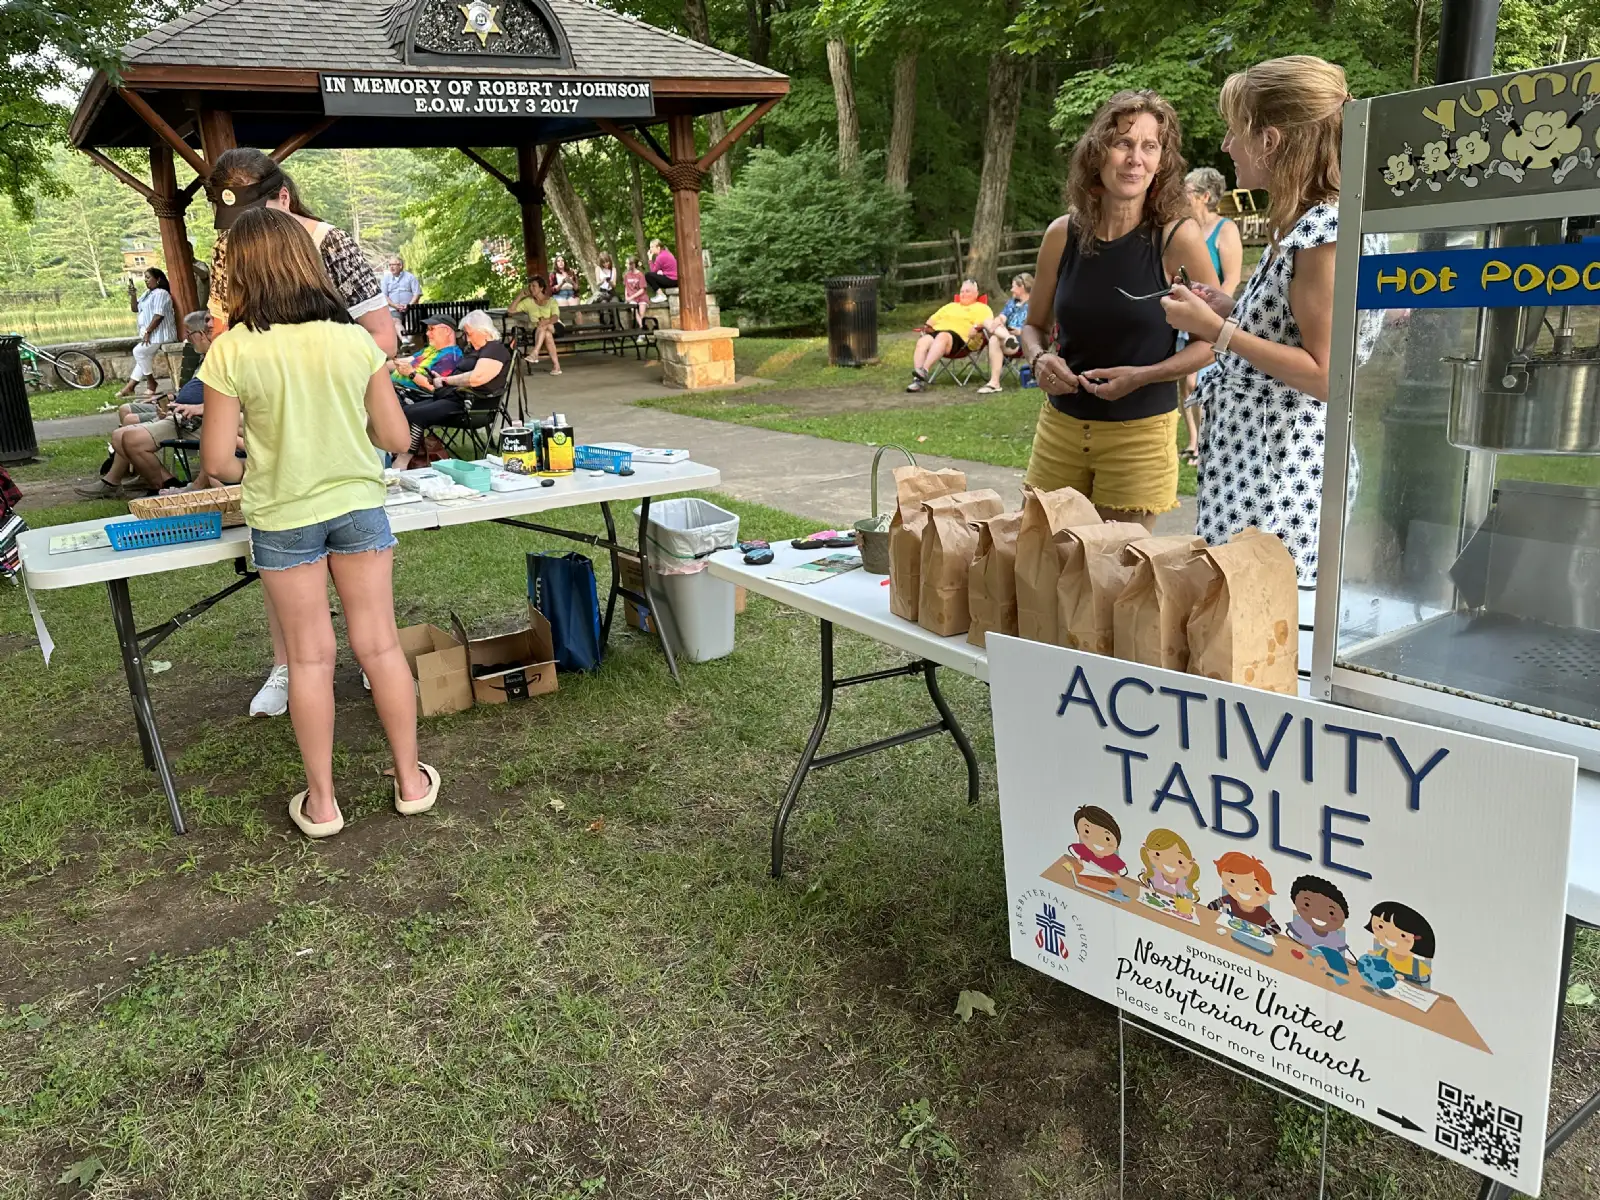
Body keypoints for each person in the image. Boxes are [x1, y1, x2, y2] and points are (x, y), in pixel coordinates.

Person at [197, 207, 437, 839]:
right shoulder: (353, 340)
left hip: (281, 516)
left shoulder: (231, 350)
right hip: (358, 505)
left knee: (307, 659)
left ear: (240, 274)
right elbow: (394, 434)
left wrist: (268, 452)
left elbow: (218, 462)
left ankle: (324, 803)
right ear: (306, 266)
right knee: (380, 645)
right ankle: (410, 782)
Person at [205, 147, 397, 719]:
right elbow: (224, 334)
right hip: (274, 437)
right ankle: (289, 666)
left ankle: (368, 663)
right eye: (231, 227)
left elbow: (381, 339)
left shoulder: (334, 244)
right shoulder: (227, 251)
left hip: (340, 431)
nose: (239, 238)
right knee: (295, 591)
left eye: (251, 222)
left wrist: (324, 370)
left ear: (283, 199)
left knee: (369, 619)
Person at [1161, 55, 1364, 584]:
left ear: (1269, 141)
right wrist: (1232, 309)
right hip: (1254, 464)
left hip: (1282, 477)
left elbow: (1326, 375)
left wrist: (1217, 331)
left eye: (1234, 132)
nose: (1227, 146)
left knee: (1261, 637)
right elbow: (1289, 326)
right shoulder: (1302, 223)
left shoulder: (1324, 235)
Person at [1018, 90, 1221, 529]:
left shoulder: (1177, 239)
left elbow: (1216, 341)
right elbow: (1033, 326)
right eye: (1123, 143)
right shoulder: (1062, 235)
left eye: (1150, 147)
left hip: (1139, 437)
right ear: (1098, 153)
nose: (1135, 159)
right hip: (1060, 430)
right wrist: (1039, 358)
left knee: (1116, 579)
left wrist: (1144, 375)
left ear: (1162, 161)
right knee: (1038, 564)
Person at [80, 311, 216, 498]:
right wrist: (171, 399)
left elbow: (222, 401)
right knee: (123, 429)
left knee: (128, 432)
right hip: (181, 413)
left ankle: (162, 486)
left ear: (203, 333)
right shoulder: (207, 357)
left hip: (194, 420)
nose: (187, 338)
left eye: (189, 333)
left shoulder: (220, 358)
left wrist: (185, 406)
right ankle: (156, 482)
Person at [1179, 167, 1245, 465]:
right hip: (1185, 313)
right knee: (1185, 379)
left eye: (1188, 192)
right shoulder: (1185, 228)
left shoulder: (1226, 229)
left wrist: (1212, 316)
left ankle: (1207, 441)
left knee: (1200, 382)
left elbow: (1230, 280)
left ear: (1205, 196)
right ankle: (1193, 441)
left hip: (1211, 318)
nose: (1182, 197)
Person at [391, 310, 510, 470]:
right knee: (405, 410)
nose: (467, 338)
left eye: (469, 333)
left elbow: (477, 378)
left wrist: (445, 380)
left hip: (470, 407)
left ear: (483, 330)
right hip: (451, 398)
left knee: (415, 414)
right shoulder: (476, 350)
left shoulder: (494, 349)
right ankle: (402, 456)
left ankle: (402, 462)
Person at [905, 279, 994, 393]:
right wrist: (927, 328)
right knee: (923, 341)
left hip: (963, 340)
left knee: (943, 336)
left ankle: (924, 370)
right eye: (962, 291)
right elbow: (930, 321)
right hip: (940, 333)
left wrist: (976, 328)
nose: (964, 294)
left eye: (968, 291)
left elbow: (986, 323)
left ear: (976, 294)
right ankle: (918, 381)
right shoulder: (950, 306)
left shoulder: (981, 308)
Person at [116, 268, 177, 400]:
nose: (145, 280)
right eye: (145, 278)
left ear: (158, 279)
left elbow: (158, 315)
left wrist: (148, 331)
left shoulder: (161, 293)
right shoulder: (147, 293)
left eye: (148, 277)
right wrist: (133, 295)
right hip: (152, 334)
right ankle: (130, 387)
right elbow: (135, 308)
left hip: (161, 333)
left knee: (138, 352)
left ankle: (151, 382)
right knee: (143, 358)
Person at [976, 273, 1033, 394]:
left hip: (1023, 338)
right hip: (1007, 335)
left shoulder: (1035, 304)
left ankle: (994, 383)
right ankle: (994, 382)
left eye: (1014, 287)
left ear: (1022, 287)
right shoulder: (1012, 302)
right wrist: (998, 321)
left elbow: (1038, 327)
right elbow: (1002, 316)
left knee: (994, 339)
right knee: (987, 321)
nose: (1011, 289)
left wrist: (1021, 331)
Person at [388, 315, 462, 395]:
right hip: (391, 388)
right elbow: (407, 360)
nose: (427, 333)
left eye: (431, 329)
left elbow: (435, 389)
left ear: (447, 331)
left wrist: (411, 373)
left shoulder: (451, 357)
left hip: (407, 397)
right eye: (427, 329)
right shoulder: (431, 348)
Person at [511, 275, 564, 375]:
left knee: (544, 326)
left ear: (541, 288)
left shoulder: (551, 301)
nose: (531, 288)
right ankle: (556, 367)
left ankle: (535, 353)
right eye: (530, 286)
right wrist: (520, 296)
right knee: (547, 334)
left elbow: (555, 317)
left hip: (555, 326)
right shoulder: (527, 302)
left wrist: (546, 321)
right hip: (540, 330)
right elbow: (510, 310)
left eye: (534, 286)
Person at [380, 254, 421, 342]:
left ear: (400, 265)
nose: (391, 267)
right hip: (394, 308)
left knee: (410, 321)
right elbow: (384, 296)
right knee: (395, 321)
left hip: (411, 308)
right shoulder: (386, 279)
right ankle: (404, 340)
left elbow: (417, 294)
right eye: (389, 265)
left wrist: (409, 305)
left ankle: (408, 342)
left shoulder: (410, 277)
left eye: (393, 265)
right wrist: (395, 305)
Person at [623, 255, 649, 322]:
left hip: (641, 297)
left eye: (627, 263)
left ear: (633, 265)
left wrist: (632, 297)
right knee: (634, 310)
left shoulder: (640, 275)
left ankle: (641, 327)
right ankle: (641, 327)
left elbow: (642, 289)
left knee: (641, 313)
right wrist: (626, 297)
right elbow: (626, 287)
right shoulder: (626, 275)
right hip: (632, 298)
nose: (625, 265)